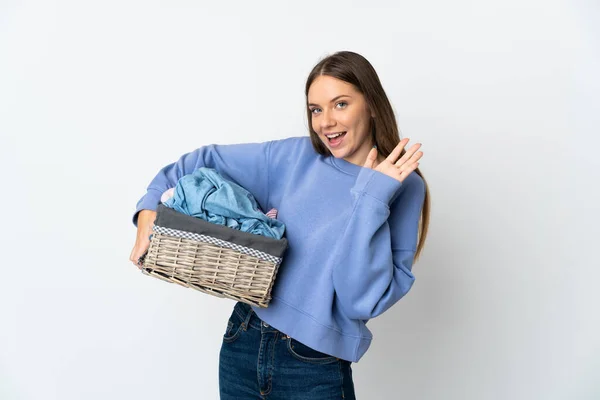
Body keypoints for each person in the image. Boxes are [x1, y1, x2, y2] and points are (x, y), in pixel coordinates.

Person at [130, 50, 430, 399]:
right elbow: (201, 161)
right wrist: (148, 211)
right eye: (316, 109)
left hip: (314, 364)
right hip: (243, 337)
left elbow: (358, 301)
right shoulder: (292, 158)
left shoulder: (405, 187)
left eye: (340, 104)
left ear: (373, 105)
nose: (325, 122)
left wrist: (373, 197)